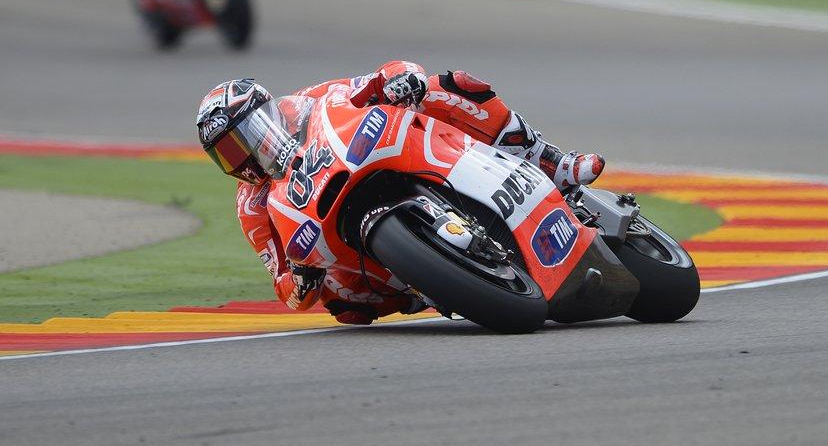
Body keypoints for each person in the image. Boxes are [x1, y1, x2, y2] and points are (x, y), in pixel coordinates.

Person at [196, 61, 605, 325]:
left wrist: (397, 80)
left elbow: (375, 79)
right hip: (343, 235)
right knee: (343, 306)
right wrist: (299, 282)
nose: (242, 158)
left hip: (374, 154)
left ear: (266, 114)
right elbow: (283, 284)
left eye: (242, 140)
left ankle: (547, 160)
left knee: (445, 87)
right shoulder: (252, 207)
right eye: (226, 155)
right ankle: (421, 284)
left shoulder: (309, 102)